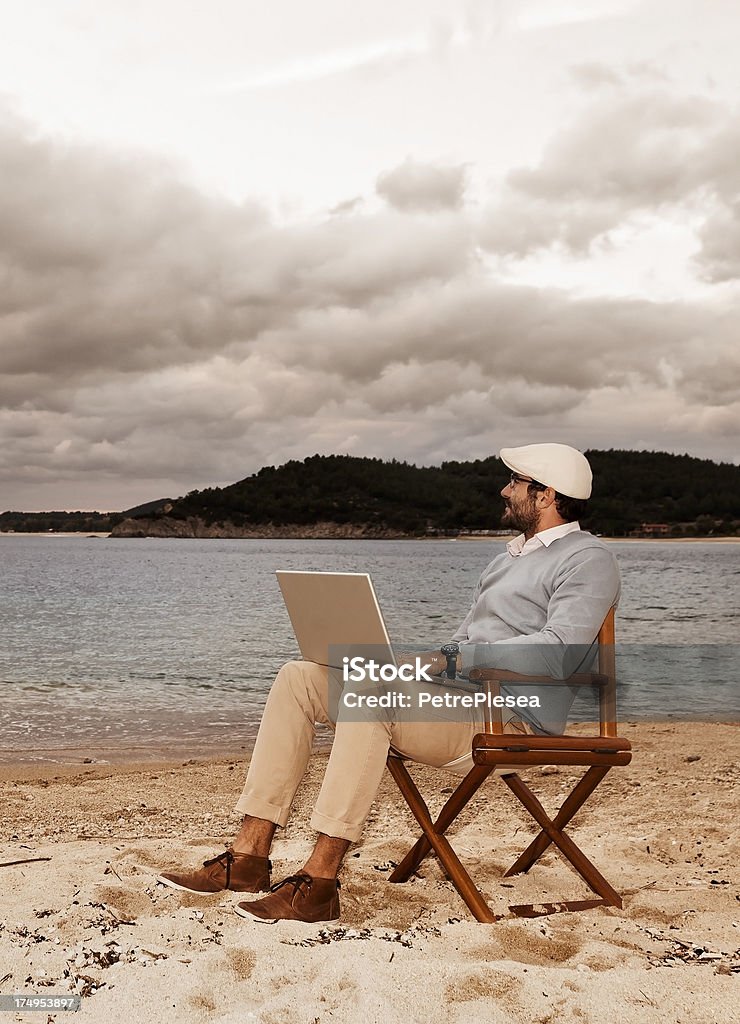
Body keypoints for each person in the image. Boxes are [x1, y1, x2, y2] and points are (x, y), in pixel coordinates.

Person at [158, 443, 620, 923]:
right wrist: (417, 662)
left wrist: (452, 660)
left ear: (545, 495)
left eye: (514, 482)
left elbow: (559, 647)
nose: (504, 491)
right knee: (300, 677)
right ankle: (249, 857)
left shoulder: (588, 558)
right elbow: (463, 640)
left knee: (370, 693)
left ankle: (319, 880)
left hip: (509, 718)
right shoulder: (504, 561)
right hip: (455, 701)